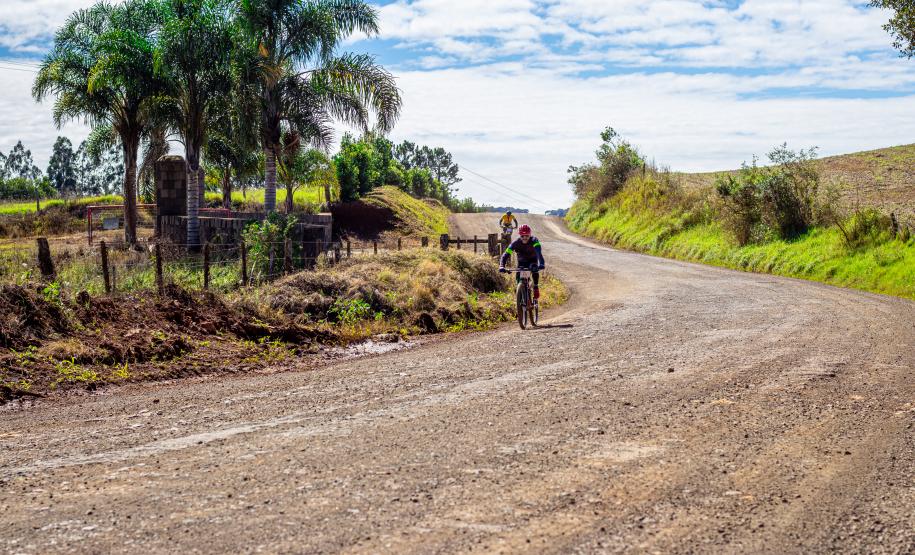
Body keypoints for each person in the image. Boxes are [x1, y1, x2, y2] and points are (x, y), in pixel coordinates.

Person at [499, 224, 545, 303]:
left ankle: (536, 287)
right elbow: (506, 254)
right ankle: (519, 302)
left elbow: (539, 253)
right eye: (522, 236)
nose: (524, 238)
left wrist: (541, 263)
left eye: (527, 235)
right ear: (520, 235)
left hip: (532, 260)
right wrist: (501, 266)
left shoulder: (534, 240)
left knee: (534, 269)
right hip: (522, 262)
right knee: (518, 281)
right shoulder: (515, 243)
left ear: (530, 235)